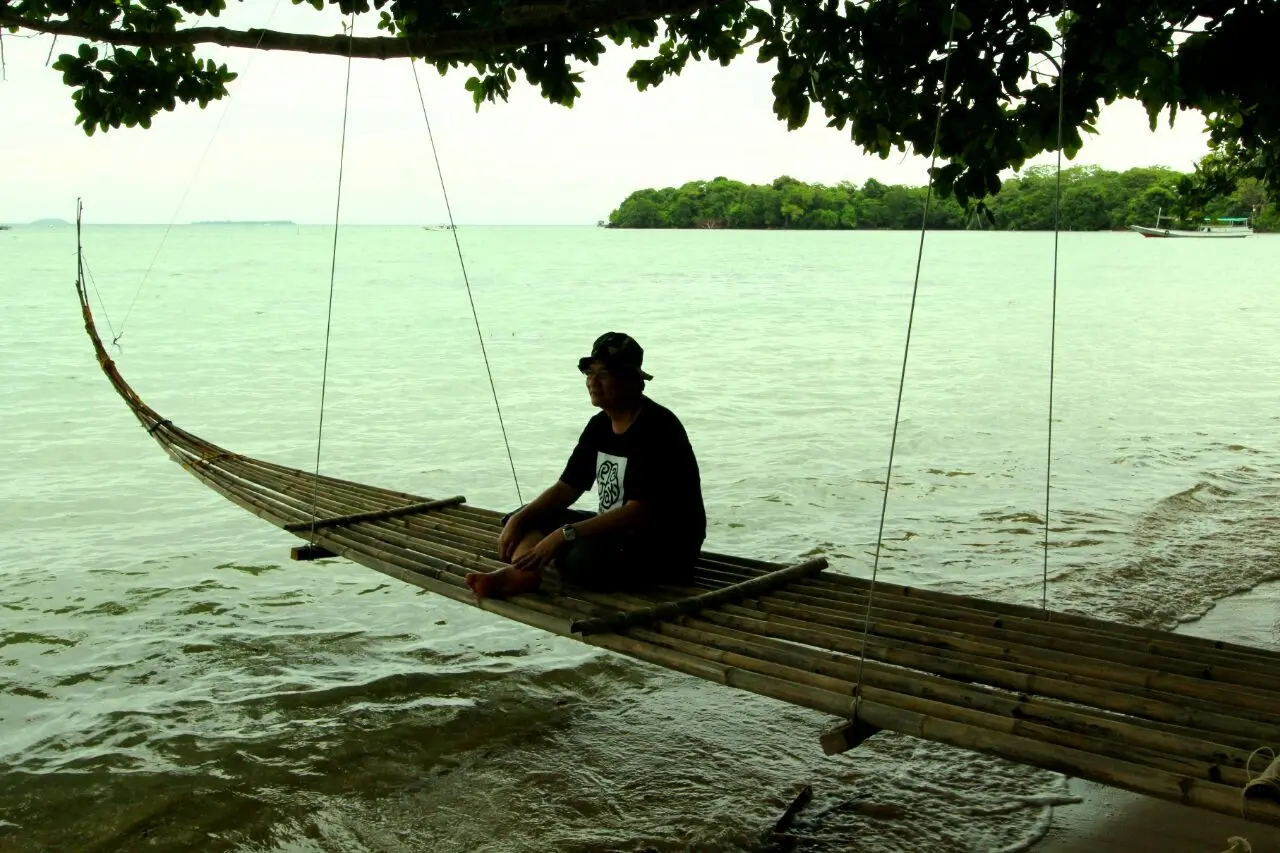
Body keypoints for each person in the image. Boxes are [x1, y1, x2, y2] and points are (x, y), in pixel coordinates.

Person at [466, 332, 706, 599]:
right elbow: (568, 487)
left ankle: (524, 570)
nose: (593, 382)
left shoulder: (658, 428)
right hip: (617, 532)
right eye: (589, 373)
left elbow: (639, 512)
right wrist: (519, 520)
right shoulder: (599, 425)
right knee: (529, 515)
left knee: (580, 560)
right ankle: (523, 573)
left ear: (630, 378)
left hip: (662, 544)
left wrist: (563, 535)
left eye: (603, 373)